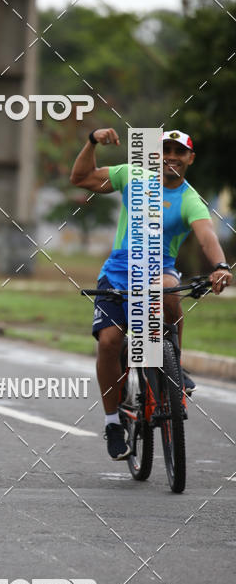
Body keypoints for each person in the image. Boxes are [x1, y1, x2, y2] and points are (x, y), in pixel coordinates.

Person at [70, 128, 232, 460]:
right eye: (165, 150)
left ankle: (173, 362)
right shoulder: (132, 176)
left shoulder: (189, 199)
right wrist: (91, 141)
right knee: (110, 342)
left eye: (179, 151)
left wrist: (220, 265)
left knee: (171, 288)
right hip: (118, 271)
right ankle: (113, 422)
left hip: (160, 270)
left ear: (190, 159)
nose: (171, 156)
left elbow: (206, 235)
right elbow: (81, 177)